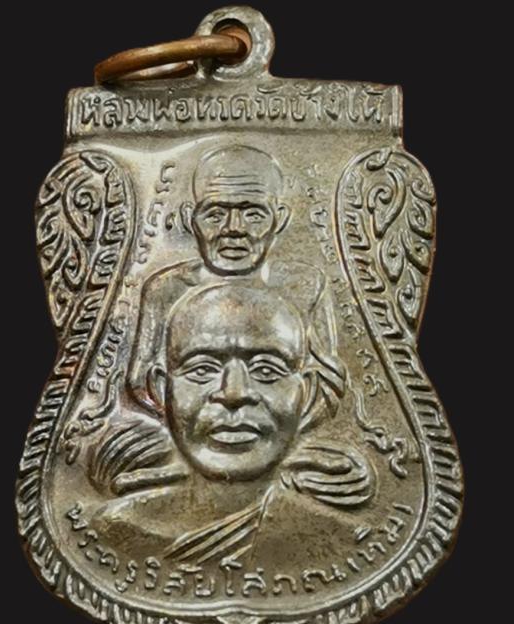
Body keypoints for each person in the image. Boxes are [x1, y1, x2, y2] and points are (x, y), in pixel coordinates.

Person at [90, 285, 374, 569]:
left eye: (266, 370)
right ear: (162, 389)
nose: (234, 394)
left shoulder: (344, 539)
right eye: (202, 369)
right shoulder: (116, 529)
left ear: (307, 393)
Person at [127, 144, 338, 414]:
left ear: (280, 220)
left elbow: (327, 381)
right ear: (190, 219)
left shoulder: (304, 285)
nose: (234, 228)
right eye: (215, 214)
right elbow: (141, 383)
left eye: (254, 215)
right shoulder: (166, 289)